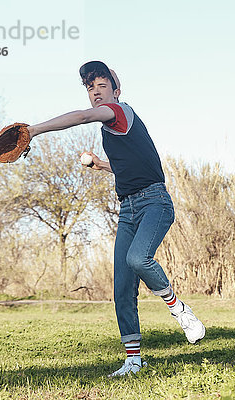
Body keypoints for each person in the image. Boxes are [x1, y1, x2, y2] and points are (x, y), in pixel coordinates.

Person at [27, 60, 205, 377]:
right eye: (90, 88)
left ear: (116, 89)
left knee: (138, 258)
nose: (96, 93)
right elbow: (133, 164)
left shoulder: (119, 111)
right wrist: (101, 165)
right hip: (129, 209)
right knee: (122, 289)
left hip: (155, 203)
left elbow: (81, 117)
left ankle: (179, 310)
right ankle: (133, 361)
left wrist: (34, 130)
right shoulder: (112, 129)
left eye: (102, 86)